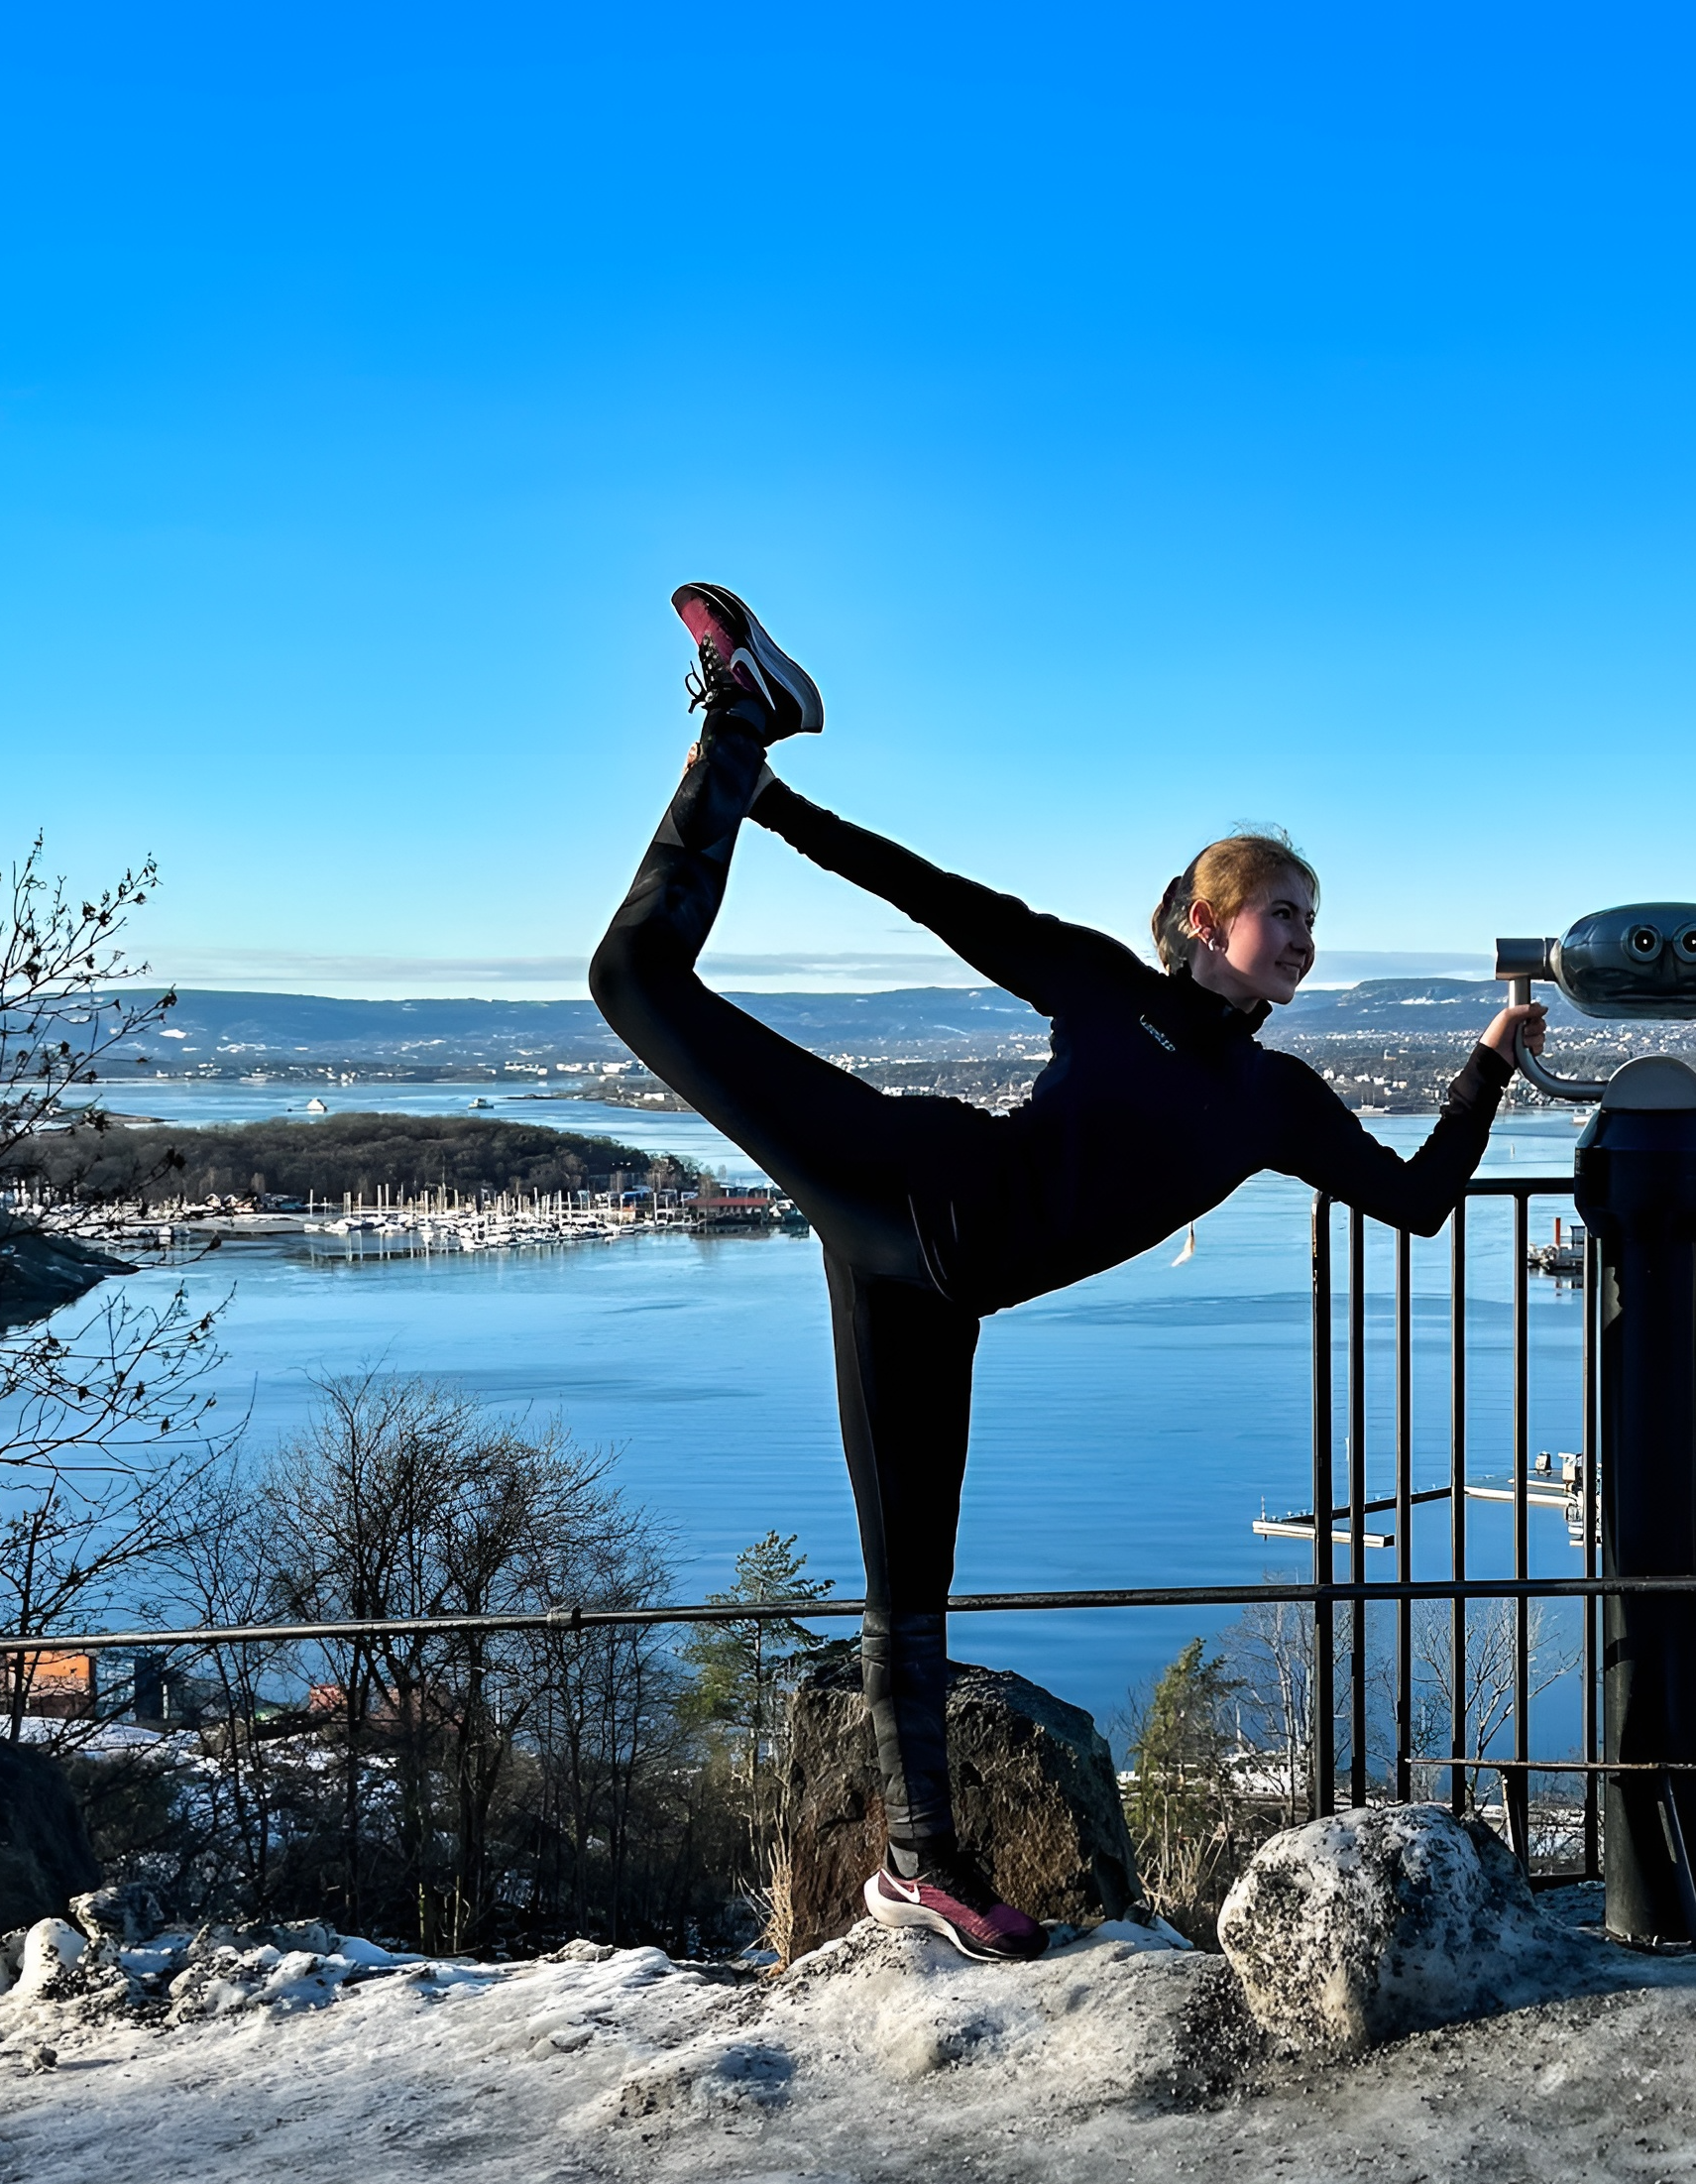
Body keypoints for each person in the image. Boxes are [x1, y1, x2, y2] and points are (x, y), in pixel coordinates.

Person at [590, 583, 1549, 1962]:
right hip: (914, 1183)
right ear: (1210, 918)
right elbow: (940, 900)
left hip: (932, 1288)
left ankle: (920, 1865)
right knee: (631, 978)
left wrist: (1484, 1069)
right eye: (1283, 911)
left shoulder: (1280, 1100)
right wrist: (775, 807)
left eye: (1315, 924)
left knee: (906, 1581)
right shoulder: (1108, 987)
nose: (1304, 941)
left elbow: (1418, 1202)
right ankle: (745, 713)